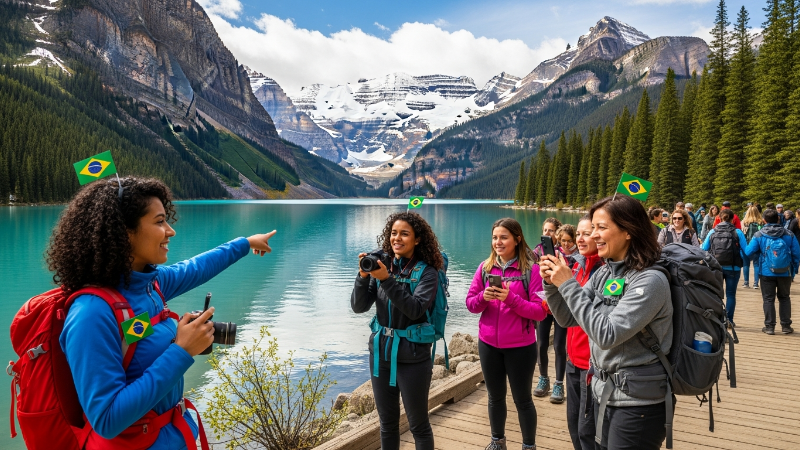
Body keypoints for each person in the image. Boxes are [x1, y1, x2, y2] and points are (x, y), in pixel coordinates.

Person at [50, 177, 275, 449]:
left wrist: (245, 243)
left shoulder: (149, 284)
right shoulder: (91, 314)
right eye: (159, 222)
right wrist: (181, 351)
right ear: (124, 232)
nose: (170, 231)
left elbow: (195, 268)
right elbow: (106, 419)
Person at [539, 195, 673, 450]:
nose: (593, 235)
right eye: (593, 228)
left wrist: (568, 283)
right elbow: (568, 318)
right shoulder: (604, 272)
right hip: (603, 392)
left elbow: (607, 334)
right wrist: (552, 285)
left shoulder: (650, 281)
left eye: (601, 228)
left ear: (628, 231)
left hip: (638, 403)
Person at [351, 212, 444, 449]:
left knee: (418, 425)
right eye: (393, 233)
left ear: (417, 239)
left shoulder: (428, 273)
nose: (397, 238)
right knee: (387, 424)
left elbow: (414, 309)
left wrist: (385, 279)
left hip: (413, 356)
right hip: (381, 353)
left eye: (404, 234)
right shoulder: (383, 266)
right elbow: (359, 306)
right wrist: (363, 276)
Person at [465, 218, 546, 450]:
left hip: (521, 346)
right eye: (494, 237)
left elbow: (540, 312)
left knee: (523, 400)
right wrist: (484, 298)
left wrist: (510, 299)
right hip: (489, 344)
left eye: (503, 237)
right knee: (495, 397)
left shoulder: (532, 270)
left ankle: (528, 445)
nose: (497, 242)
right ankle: (497, 441)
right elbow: (471, 304)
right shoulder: (485, 268)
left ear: (517, 239)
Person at [564, 216, 602, 450]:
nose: (580, 238)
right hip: (572, 358)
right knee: (573, 426)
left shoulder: (604, 270)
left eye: (586, 233)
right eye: (578, 233)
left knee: (587, 431)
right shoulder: (578, 264)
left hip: (591, 362)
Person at [745, 209, 800, 335]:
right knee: (784, 298)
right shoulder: (789, 234)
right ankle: (786, 326)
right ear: (778, 219)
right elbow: (797, 254)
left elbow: (748, 252)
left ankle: (770, 327)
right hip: (785, 272)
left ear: (764, 220)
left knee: (768, 299)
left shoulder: (759, 235)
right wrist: (794, 269)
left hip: (766, 272)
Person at [534, 218, 568, 404]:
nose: (547, 234)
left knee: (559, 346)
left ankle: (559, 383)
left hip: (561, 305)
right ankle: (543, 378)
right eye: (545, 230)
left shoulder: (565, 253)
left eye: (551, 231)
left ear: (558, 232)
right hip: (544, 305)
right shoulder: (536, 252)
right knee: (541, 344)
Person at [702, 209, 748, 327]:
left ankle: (717, 319)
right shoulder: (738, 232)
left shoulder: (712, 231)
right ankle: (729, 320)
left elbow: (704, 248)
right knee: (731, 294)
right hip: (733, 268)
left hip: (716, 267)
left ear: (719, 219)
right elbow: (745, 250)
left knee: (716, 294)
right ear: (733, 219)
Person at [742, 205, 765, 289]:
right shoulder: (761, 222)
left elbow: (742, 234)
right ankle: (756, 283)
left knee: (746, 264)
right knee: (756, 264)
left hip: (746, 245)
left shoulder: (745, 222)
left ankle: (746, 282)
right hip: (758, 246)